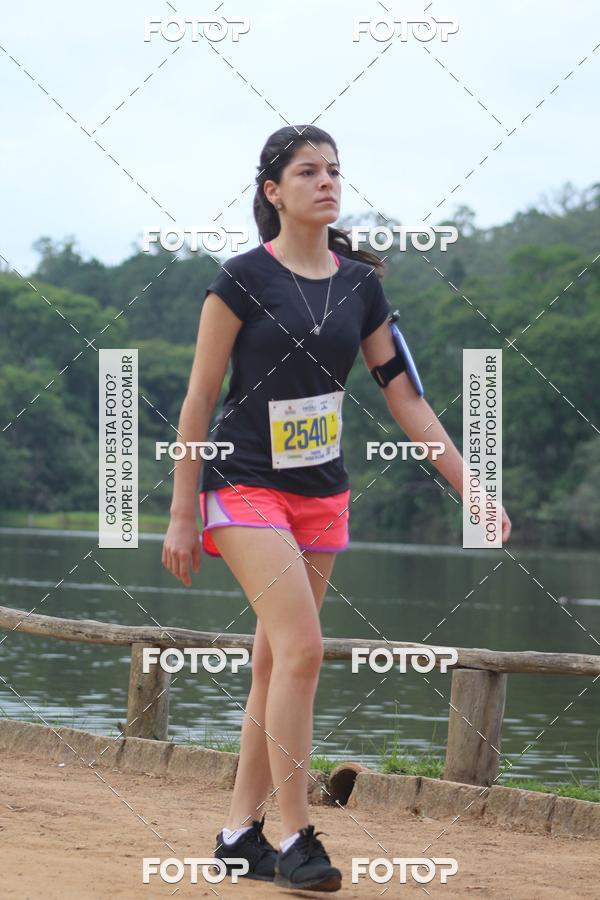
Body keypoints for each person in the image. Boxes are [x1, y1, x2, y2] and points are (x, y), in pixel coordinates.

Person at [162, 124, 512, 892]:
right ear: (273, 191)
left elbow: (407, 399)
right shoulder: (241, 279)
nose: (327, 182)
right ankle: (294, 837)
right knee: (305, 651)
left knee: (273, 662)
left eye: (334, 171)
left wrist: (470, 484)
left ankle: (235, 834)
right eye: (309, 172)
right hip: (242, 482)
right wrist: (183, 508)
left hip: (322, 495)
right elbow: (199, 395)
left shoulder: (361, 286)